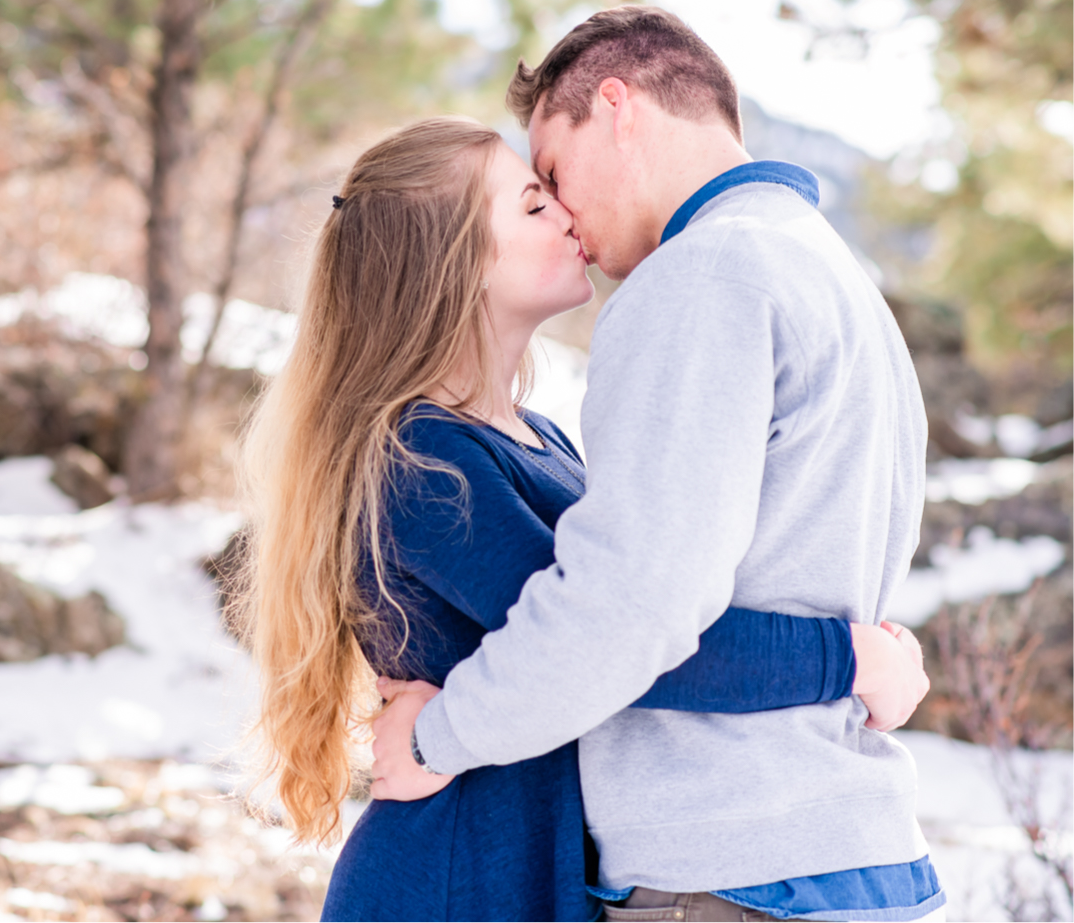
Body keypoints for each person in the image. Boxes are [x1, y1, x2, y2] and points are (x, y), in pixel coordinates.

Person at [234, 115, 930, 921]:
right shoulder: (422, 466)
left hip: (537, 872)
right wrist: (847, 660)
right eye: (532, 204)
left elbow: (647, 604)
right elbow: (625, 642)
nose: (567, 214)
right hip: (458, 882)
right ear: (449, 266)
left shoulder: (539, 438)